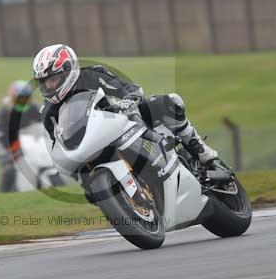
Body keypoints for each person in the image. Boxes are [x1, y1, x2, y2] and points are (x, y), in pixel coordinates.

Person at [32, 43, 228, 178]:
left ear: (69, 69)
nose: (50, 85)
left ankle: (198, 149)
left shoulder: (93, 74)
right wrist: (61, 162)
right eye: (45, 82)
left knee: (169, 102)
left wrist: (130, 98)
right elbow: (54, 142)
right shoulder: (48, 110)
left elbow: (126, 87)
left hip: (121, 119)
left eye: (54, 79)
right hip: (91, 143)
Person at [0, 80, 41, 192]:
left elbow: (44, 124)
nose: (23, 101)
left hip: (31, 148)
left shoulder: (35, 108)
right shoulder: (3, 112)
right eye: (19, 98)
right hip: (10, 149)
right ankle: (5, 194)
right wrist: (5, 154)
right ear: (13, 97)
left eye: (26, 98)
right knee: (9, 170)